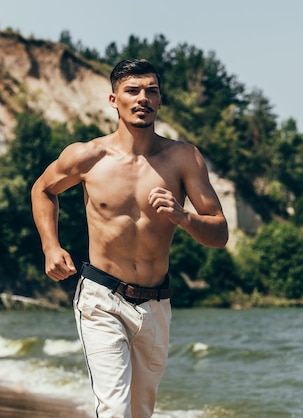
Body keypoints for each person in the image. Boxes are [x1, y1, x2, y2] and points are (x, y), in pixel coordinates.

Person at [31, 58, 228, 417]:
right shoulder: (88, 156)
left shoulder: (184, 158)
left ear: (160, 100)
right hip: (101, 298)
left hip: (156, 304)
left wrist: (183, 217)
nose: (143, 98)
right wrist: (50, 246)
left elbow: (219, 232)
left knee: (140, 411)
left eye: (151, 91)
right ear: (113, 100)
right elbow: (43, 189)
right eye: (132, 91)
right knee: (115, 408)